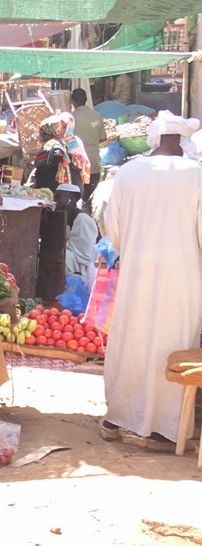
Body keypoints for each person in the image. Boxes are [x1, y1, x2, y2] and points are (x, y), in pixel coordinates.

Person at [101, 111, 202, 448]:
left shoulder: (128, 173)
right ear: (182, 140)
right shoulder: (197, 174)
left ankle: (118, 416)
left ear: (156, 138)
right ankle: (165, 426)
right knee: (172, 345)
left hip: (137, 273)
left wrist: (134, 248)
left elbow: (111, 228)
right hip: (183, 278)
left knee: (132, 340)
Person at [34, 112, 91, 193]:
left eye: (64, 127)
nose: (62, 130)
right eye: (61, 127)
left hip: (62, 189)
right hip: (68, 189)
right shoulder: (56, 144)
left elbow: (57, 156)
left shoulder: (57, 145)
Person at [71, 88, 107, 207]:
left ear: (73, 102)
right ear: (86, 100)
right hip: (94, 164)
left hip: (78, 166)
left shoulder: (71, 119)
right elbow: (102, 138)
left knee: (79, 201)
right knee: (92, 201)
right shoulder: (97, 115)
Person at [54, 182, 99, 277]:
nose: (55, 200)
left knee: (57, 258)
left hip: (80, 264)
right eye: (56, 196)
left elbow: (84, 255)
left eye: (59, 197)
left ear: (72, 199)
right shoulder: (62, 214)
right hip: (70, 255)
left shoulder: (83, 219)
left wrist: (60, 252)